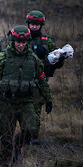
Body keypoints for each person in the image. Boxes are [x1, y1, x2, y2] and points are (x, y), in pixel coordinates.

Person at [0, 25, 52, 167]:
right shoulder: (3, 58)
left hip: (26, 102)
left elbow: (42, 79)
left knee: (31, 130)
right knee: (6, 136)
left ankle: (18, 146)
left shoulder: (32, 59)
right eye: (18, 42)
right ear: (13, 41)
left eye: (23, 42)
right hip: (7, 102)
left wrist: (48, 99)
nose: (21, 45)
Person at [26, 10, 64, 140]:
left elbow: (56, 61)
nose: (34, 26)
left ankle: (33, 136)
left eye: (37, 24)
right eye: (32, 24)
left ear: (41, 25)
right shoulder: (21, 38)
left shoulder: (46, 41)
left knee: (36, 107)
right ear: (28, 24)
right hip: (23, 80)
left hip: (40, 80)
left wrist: (60, 58)